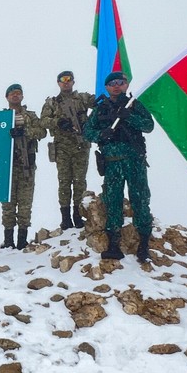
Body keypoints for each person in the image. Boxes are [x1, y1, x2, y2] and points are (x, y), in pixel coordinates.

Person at [83, 71, 154, 262]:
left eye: (121, 82)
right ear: (107, 87)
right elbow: (88, 131)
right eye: (112, 83)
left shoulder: (134, 105)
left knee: (140, 200)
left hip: (134, 162)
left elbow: (148, 126)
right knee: (112, 201)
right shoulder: (101, 109)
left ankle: (144, 245)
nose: (116, 86)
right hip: (112, 163)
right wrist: (101, 134)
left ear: (126, 85)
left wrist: (129, 116)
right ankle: (113, 244)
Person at [40, 71, 96, 229]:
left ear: (73, 82)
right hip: (62, 148)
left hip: (81, 146)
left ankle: (78, 215)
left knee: (79, 182)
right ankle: (65, 218)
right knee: (64, 183)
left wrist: (90, 123)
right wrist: (59, 122)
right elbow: (43, 121)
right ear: (58, 83)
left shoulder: (83, 98)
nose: (66, 83)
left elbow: (100, 103)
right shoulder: (52, 102)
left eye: (68, 80)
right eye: (62, 80)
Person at [0, 84, 46, 250]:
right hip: (7, 166)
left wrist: (25, 131)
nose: (15, 96)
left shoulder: (31, 116)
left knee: (25, 204)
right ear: (7, 97)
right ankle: (8, 240)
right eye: (12, 93)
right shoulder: (1, 117)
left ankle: (22, 239)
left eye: (18, 93)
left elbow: (42, 132)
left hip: (26, 164)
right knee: (8, 204)